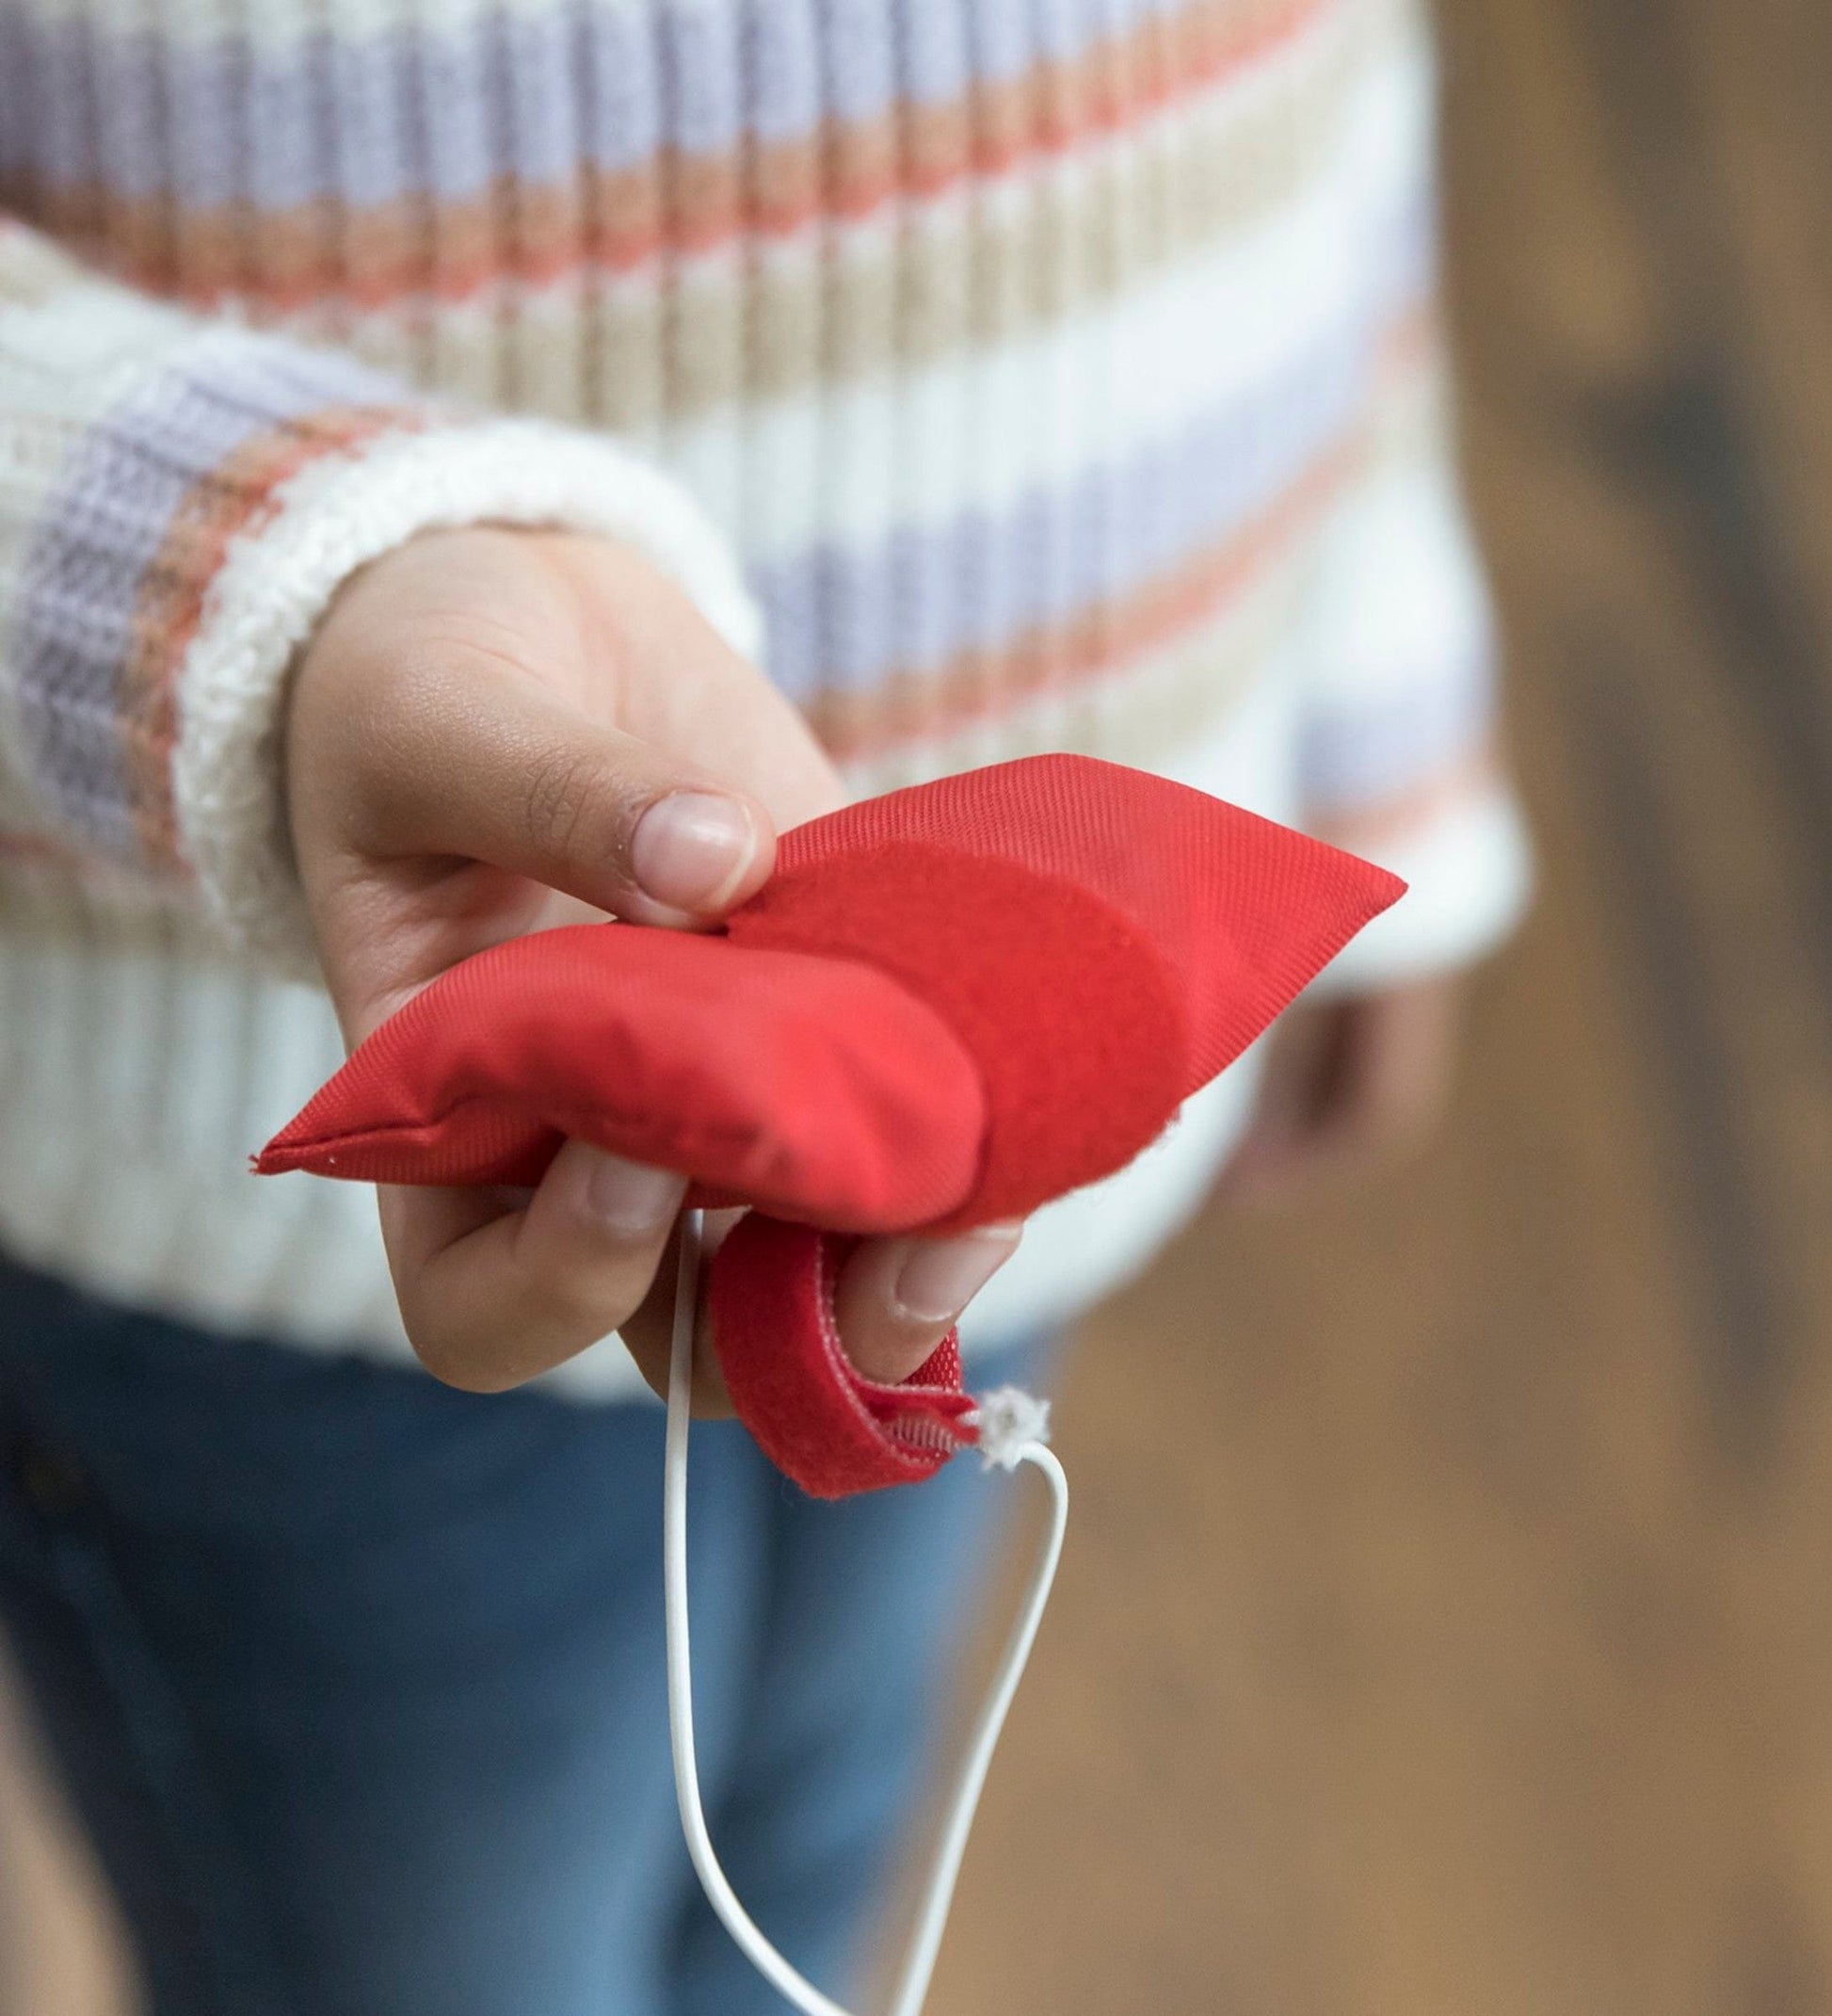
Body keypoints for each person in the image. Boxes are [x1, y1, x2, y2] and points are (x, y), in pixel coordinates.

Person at [0, 1, 1530, 2008]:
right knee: (449, 1954)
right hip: (255, 1245)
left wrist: (1379, 683)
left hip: (1038, 1074)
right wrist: (267, 589)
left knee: (813, 1822)